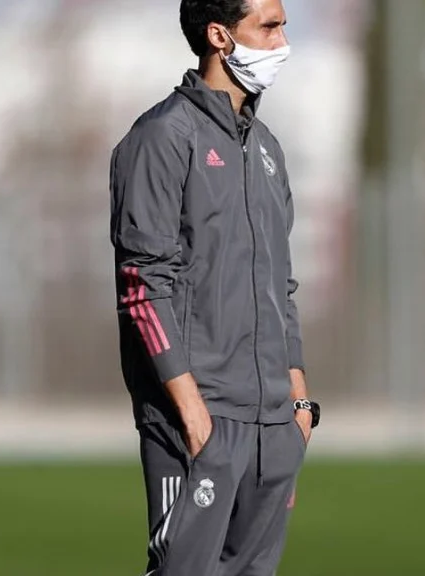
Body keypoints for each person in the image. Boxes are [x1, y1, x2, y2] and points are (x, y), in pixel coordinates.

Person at [108, 0, 320, 574]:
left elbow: (282, 287)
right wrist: (193, 414)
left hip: (272, 428)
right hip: (198, 423)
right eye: (269, 27)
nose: (282, 43)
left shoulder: (268, 148)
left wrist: (296, 407)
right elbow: (141, 286)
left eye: (284, 26)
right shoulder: (160, 138)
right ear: (220, 36)